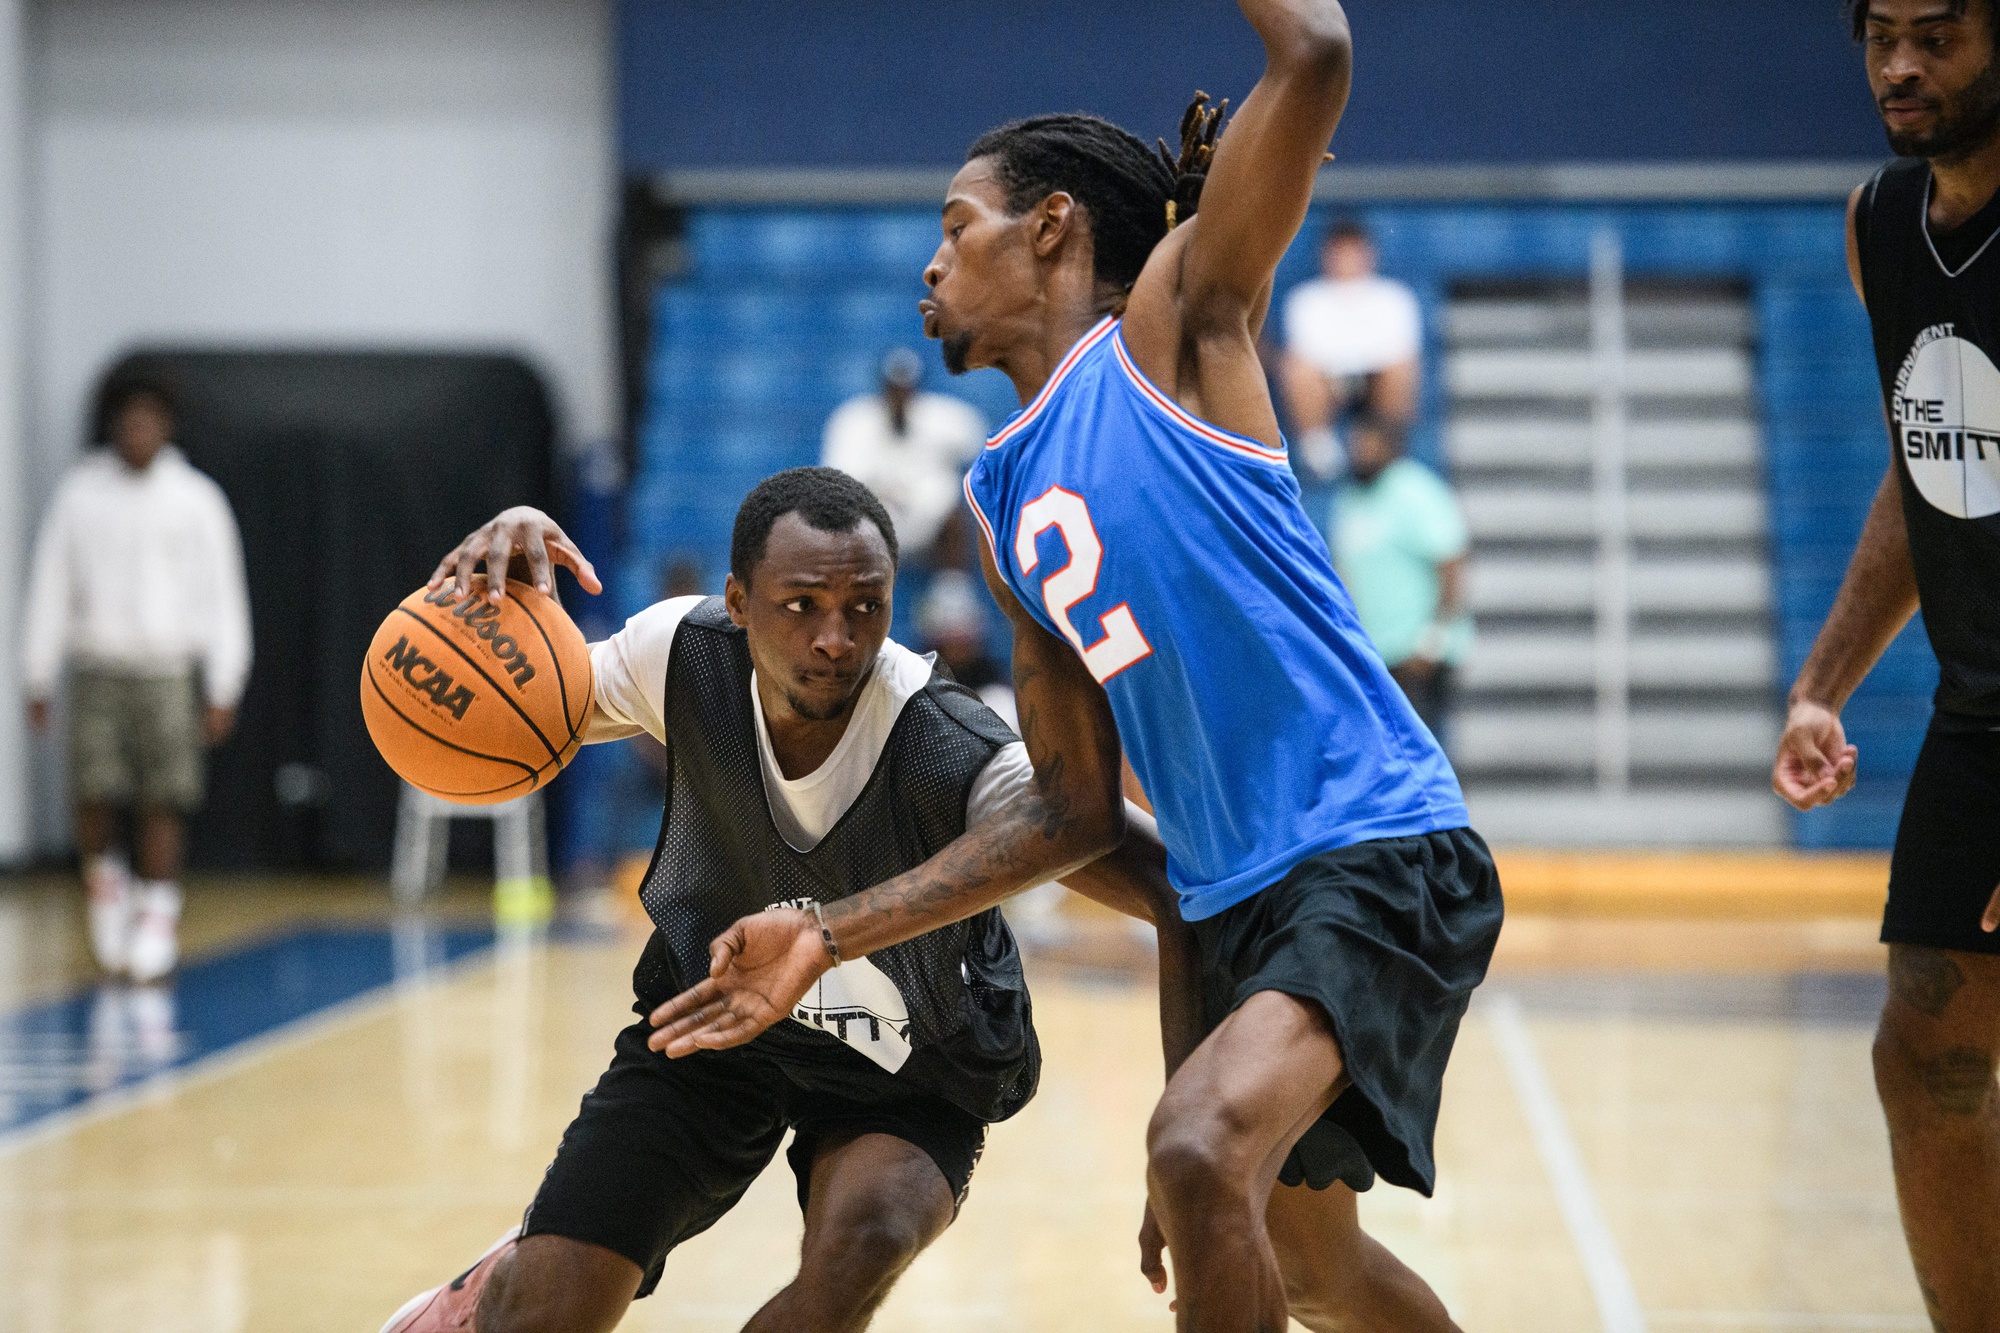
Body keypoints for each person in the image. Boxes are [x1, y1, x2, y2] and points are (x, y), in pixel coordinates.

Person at [651, 5, 1500, 1329]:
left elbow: (1317, 53)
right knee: (1316, 1266)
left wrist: (1190, 1140)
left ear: (1049, 225)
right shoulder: (998, 507)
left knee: (1203, 1144)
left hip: (1371, 842)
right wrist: (826, 935)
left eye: (955, 226)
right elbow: (1075, 814)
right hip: (1240, 900)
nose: (928, 265)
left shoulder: (1171, 328)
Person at [380, 468, 1197, 1333]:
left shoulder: (947, 745)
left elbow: (1162, 879)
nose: (836, 637)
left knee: (866, 1240)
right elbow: (524, 696)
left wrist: (1190, 1140)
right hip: (712, 1022)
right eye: (801, 605)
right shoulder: (681, 654)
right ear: (738, 600)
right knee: (540, 1309)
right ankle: (502, 1277)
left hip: (906, 1071)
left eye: (865, 606)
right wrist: (500, 583)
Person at [1774, 3, 2000, 1327]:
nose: (1904, 68)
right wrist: (1825, 681)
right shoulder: (1880, 228)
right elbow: (1928, 469)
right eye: (1882, 38)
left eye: (1944, 34)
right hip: (1979, 718)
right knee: (1927, 1060)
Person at [21, 370, 250, 983]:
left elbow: (222, 595)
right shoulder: (80, 496)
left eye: (150, 418)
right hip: (97, 669)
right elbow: (51, 585)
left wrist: (223, 682)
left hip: (167, 673)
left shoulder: (195, 498)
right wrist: (36, 673)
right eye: (129, 419)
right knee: (93, 792)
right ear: (114, 424)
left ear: (167, 424)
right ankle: (107, 888)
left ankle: (156, 915)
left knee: (165, 797)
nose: (138, 430)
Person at [1329, 411, 1472, 737]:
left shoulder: (1415, 490)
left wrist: (1432, 641)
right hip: (1377, 656)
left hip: (1417, 656)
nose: (1358, 449)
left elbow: (1451, 562)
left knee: (1418, 758)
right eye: (1354, 441)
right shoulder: (1351, 498)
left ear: (1390, 445)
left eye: (1367, 441)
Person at [1278, 217, 1423, 482]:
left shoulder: (1394, 297)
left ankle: (1389, 448)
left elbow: (1399, 351)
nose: (1346, 260)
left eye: (1353, 252)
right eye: (1339, 253)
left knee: (1402, 370)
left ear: (1368, 254)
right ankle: (1318, 452)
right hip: (1327, 381)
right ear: (1326, 256)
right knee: (1298, 371)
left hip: (1376, 379)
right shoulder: (1305, 299)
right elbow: (1305, 353)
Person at [820, 347, 987, 568]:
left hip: (927, 517)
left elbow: (981, 450)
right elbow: (842, 479)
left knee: (954, 514)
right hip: (875, 517)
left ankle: (951, 593)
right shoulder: (854, 420)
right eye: (894, 389)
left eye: (906, 389)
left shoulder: (946, 419)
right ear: (883, 387)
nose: (900, 397)